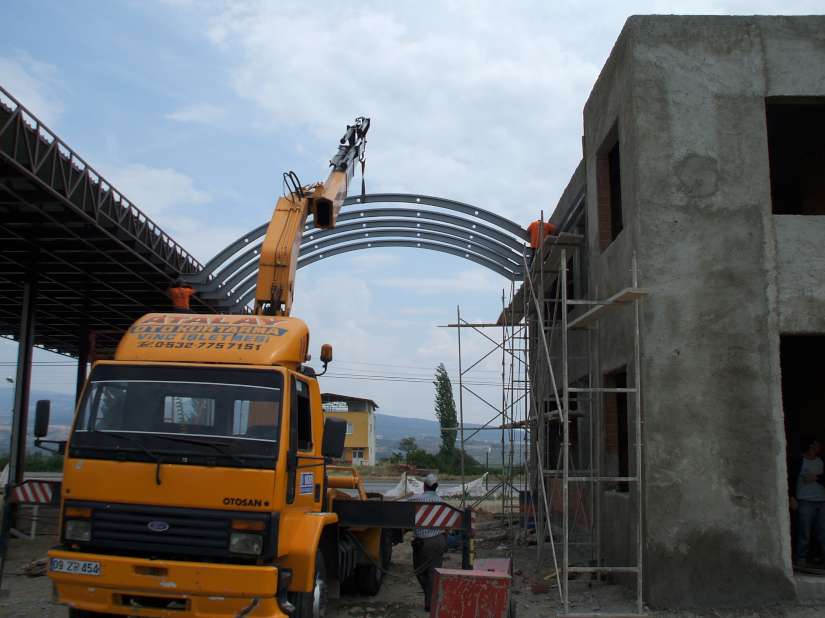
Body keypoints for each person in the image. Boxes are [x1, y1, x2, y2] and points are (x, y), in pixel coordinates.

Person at [407, 473, 448, 612]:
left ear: (424, 486)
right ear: (436, 487)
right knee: (434, 572)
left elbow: (402, 507)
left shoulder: (415, 499)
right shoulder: (441, 501)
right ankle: (431, 599)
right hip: (439, 540)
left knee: (420, 571)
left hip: (423, 543)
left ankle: (430, 602)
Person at [792, 437, 825, 567]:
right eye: (817, 444)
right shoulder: (799, 461)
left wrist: (816, 477)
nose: (819, 446)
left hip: (821, 501)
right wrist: (792, 497)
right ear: (811, 445)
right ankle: (801, 558)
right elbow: (791, 478)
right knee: (803, 532)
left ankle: (821, 557)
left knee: (822, 531)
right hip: (804, 500)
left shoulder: (821, 461)